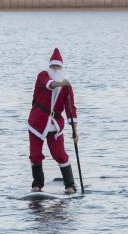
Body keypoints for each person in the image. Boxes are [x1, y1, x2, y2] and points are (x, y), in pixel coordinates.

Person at [28, 48, 79, 194]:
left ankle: (70, 184)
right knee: (35, 154)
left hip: (55, 124)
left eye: (58, 66)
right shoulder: (42, 76)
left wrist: (75, 131)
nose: (55, 69)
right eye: (53, 66)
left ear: (61, 68)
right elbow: (49, 84)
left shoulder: (67, 87)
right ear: (49, 67)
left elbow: (71, 109)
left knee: (60, 154)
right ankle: (37, 184)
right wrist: (61, 84)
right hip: (37, 123)